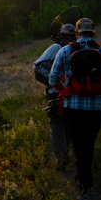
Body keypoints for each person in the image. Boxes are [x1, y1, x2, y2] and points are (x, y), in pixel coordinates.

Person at [49, 18, 101, 200]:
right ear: (93, 33)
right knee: (87, 144)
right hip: (97, 108)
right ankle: (84, 180)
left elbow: (53, 79)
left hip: (72, 107)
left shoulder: (65, 51)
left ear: (77, 33)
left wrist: (66, 91)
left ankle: (86, 188)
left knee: (79, 145)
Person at [33, 24, 76, 171]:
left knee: (57, 123)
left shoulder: (55, 48)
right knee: (71, 124)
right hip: (76, 95)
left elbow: (37, 68)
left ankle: (62, 155)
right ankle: (74, 156)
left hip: (55, 94)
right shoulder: (81, 49)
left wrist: (53, 80)